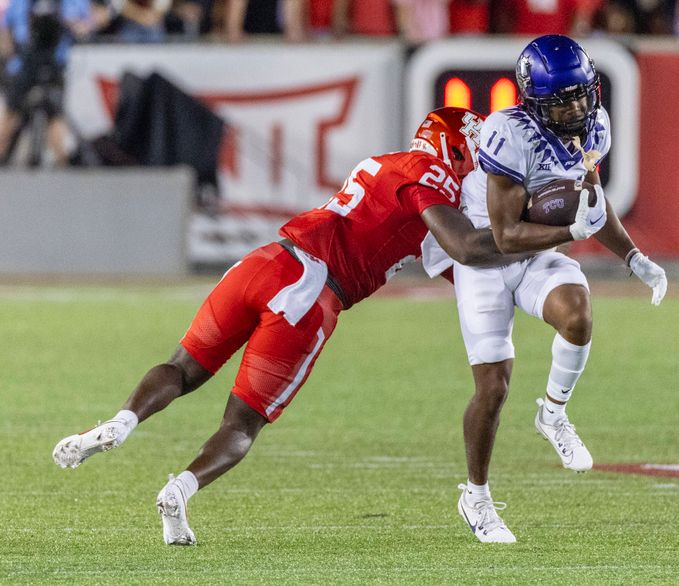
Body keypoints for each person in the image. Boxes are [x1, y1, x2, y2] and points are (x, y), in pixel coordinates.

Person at [52, 107, 601, 546]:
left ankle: (123, 421)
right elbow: (467, 246)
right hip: (311, 294)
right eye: (471, 151)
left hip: (266, 259)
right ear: (455, 149)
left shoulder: (381, 165)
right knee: (243, 423)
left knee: (183, 366)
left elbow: (443, 255)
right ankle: (180, 488)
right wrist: (557, 232)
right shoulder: (430, 176)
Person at [422, 35, 668, 543]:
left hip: (535, 254)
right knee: (492, 388)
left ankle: (553, 414)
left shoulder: (595, 124)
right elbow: (506, 233)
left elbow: (591, 200)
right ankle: (477, 496)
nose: (578, 108)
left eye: (582, 94)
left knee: (577, 313)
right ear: (533, 101)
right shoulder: (506, 131)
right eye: (564, 101)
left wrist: (633, 256)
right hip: (487, 259)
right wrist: (571, 232)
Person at [0, 0, 93, 166]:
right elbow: (6, 26)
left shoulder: (71, 2)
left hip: (54, 62)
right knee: (12, 110)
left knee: (55, 113)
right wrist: (9, 55)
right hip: (25, 62)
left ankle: (61, 159)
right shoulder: (21, 2)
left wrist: (71, 23)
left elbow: (86, 26)